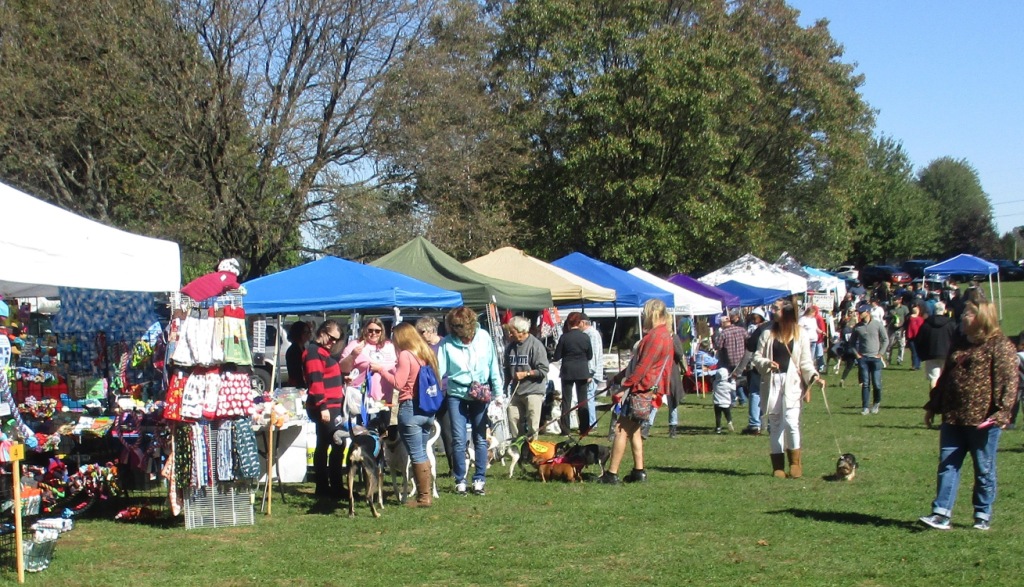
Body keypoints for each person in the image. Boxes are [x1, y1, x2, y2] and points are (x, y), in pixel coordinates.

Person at [919, 301, 1018, 531]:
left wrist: (1002, 413)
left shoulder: (1000, 345)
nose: (963, 316)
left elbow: (1009, 382)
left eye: (968, 313)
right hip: (953, 416)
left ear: (982, 317)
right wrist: (933, 405)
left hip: (982, 420)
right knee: (947, 464)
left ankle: (982, 514)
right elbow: (946, 376)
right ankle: (941, 513)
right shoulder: (959, 342)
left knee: (984, 468)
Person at [599, 299, 674, 484]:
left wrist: (624, 386)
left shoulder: (656, 337)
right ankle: (638, 471)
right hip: (651, 389)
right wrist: (618, 377)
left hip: (641, 389)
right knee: (634, 430)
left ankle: (612, 474)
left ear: (651, 314)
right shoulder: (666, 335)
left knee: (621, 429)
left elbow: (642, 367)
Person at [371, 322, 439, 508]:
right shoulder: (425, 353)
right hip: (427, 410)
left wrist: (381, 370)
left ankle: (424, 498)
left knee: (416, 454)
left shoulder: (405, 355)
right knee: (423, 451)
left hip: (410, 408)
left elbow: (399, 383)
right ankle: (426, 494)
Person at [753, 299, 822, 479]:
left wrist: (814, 376)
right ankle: (778, 467)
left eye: (776, 308)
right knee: (775, 424)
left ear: (787, 311)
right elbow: (757, 357)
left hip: (792, 383)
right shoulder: (767, 333)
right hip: (772, 381)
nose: (772, 311)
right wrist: (767, 363)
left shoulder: (801, 334)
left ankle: (795, 463)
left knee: (791, 422)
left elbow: (806, 361)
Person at [436, 307, 502, 496]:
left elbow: (493, 365)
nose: (457, 329)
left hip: (480, 392)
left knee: (480, 437)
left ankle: (479, 478)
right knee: (458, 438)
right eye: (453, 326)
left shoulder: (483, 337)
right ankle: (460, 479)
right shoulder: (447, 343)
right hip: (456, 392)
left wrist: (498, 394)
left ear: (470, 324)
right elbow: (439, 371)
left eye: (460, 325)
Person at [302, 320, 345, 498]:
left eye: (337, 340)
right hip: (326, 407)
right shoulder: (314, 352)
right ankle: (330, 486)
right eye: (331, 338)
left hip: (331, 406)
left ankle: (328, 486)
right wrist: (323, 407)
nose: (333, 342)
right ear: (322, 332)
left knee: (327, 444)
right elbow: (315, 381)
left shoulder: (322, 352)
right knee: (335, 443)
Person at [415, 316, 454, 474]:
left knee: (448, 431)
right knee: (424, 430)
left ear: (431, 330)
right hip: (426, 394)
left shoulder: (445, 344)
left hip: (444, 392)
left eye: (422, 332)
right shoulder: (420, 348)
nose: (420, 335)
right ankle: (423, 467)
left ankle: (454, 468)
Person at [340, 317, 398, 417]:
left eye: (377, 331)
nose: (373, 333)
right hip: (362, 398)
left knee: (383, 428)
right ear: (365, 330)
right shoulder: (356, 344)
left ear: (382, 332)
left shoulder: (389, 345)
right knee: (365, 429)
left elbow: (396, 365)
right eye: (370, 330)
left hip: (384, 398)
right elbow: (342, 368)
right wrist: (353, 355)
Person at [504, 316, 549, 441]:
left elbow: (543, 370)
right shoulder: (510, 347)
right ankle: (517, 447)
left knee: (532, 423)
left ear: (521, 331)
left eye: (511, 331)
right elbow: (507, 369)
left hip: (533, 391)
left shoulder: (536, 345)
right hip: (516, 391)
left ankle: (531, 450)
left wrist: (526, 374)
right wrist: (504, 387)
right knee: (512, 417)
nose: (509, 334)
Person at [553, 312, 593, 435]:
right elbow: (590, 355)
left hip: (567, 370)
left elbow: (557, 356)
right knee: (583, 400)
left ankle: (565, 429)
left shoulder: (564, 337)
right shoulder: (585, 337)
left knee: (566, 400)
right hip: (582, 370)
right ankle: (584, 428)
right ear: (579, 322)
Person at [734, 307, 770, 435]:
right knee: (769, 393)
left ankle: (755, 424)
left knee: (756, 393)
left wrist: (739, 369)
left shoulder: (761, 329)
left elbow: (749, 348)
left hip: (760, 364)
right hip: (771, 366)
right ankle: (769, 424)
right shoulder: (776, 328)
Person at [850, 308, 888, 414]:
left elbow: (885, 339)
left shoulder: (877, 324)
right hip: (863, 359)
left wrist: (880, 353)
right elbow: (852, 343)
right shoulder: (858, 327)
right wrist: (857, 355)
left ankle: (876, 403)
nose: (860, 315)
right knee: (865, 383)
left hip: (875, 358)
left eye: (862, 312)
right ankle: (865, 407)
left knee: (877, 383)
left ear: (868, 313)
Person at [917, 301, 957, 389]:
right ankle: (942, 399)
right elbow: (956, 339)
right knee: (945, 378)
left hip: (931, 354)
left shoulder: (926, 324)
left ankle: (933, 398)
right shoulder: (951, 324)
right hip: (947, 354)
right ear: (944, 310)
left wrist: (922, 354)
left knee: (933, 378)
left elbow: (919, 340)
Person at [714, 311, 748, 405]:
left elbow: (718, 346)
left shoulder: (723, 333)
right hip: (741, 360)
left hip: (729, 360)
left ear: (722, 324)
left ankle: (734, 400)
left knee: (730, 380)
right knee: (738, 379)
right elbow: (748, 341)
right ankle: (742, 399)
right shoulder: (742, 330)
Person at [580, 315, 605, 433]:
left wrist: (590, 373)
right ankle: (591, 422)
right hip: (592, 371)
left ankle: (591, 423)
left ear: (583, 323)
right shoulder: (590, 334)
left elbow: (593, 355)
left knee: (589, 396)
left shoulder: (591, 334)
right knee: (589, 396)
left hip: (593, 372)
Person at [285, 321, 312, 387]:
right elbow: (296, 371)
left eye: (309, 332)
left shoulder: (303, 348)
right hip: (296, 384)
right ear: (298, 333)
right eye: (305, 332)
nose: (308, 335)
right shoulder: (293, 350)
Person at [885, 296, 909, 367]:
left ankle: (899, 360)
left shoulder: (904, 308)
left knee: (901, 345)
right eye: (893, 300)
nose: (894, 301)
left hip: (900, 329)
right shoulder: (890, 308)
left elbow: (907, 318)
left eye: (895, 300)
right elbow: (885, 316)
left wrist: (903, 326)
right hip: (891, 329)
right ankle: (888, 359)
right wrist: (890, 316)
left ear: (899, 300)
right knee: (889, 345)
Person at [712, 367, 735, 434]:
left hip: (717, 403)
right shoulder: (727, 385)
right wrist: (733, 380)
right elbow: (733, 388)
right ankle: (729, 421)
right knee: (728, 415)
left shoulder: (715, 383)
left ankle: (718, 428)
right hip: (726, 404)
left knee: (718, 417)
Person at [905, 304, 925, 370]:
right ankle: (916, 365)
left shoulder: (909, 318)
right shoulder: (919, 319)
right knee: (916, 352)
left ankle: (915, 365)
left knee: (914, 352)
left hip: (911, 337)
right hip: (918, 337)